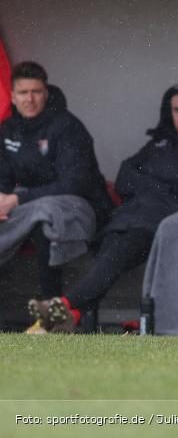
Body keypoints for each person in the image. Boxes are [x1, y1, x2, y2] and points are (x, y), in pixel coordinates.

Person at [26, 84, 178, 333]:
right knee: (110, 258)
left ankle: (65, 304)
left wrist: (149, 182)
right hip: (127, 219)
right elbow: (125, 175)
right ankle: (70, 314)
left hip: (161, 224)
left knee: (115, 257)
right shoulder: (157, 144)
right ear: (169, 112)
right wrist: (163, 183)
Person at [0, 62, 113, 333]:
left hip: (80, 207)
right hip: (28, 207)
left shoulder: (66, 126)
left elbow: (72, 183)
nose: (30, 99)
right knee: (35, 212)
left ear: (46, 93)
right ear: (13, 97)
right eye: (23, 93)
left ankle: (51, 313)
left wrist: (17, 199)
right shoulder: (7, 129)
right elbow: (3, 176)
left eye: (36, 91)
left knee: (44, 216)